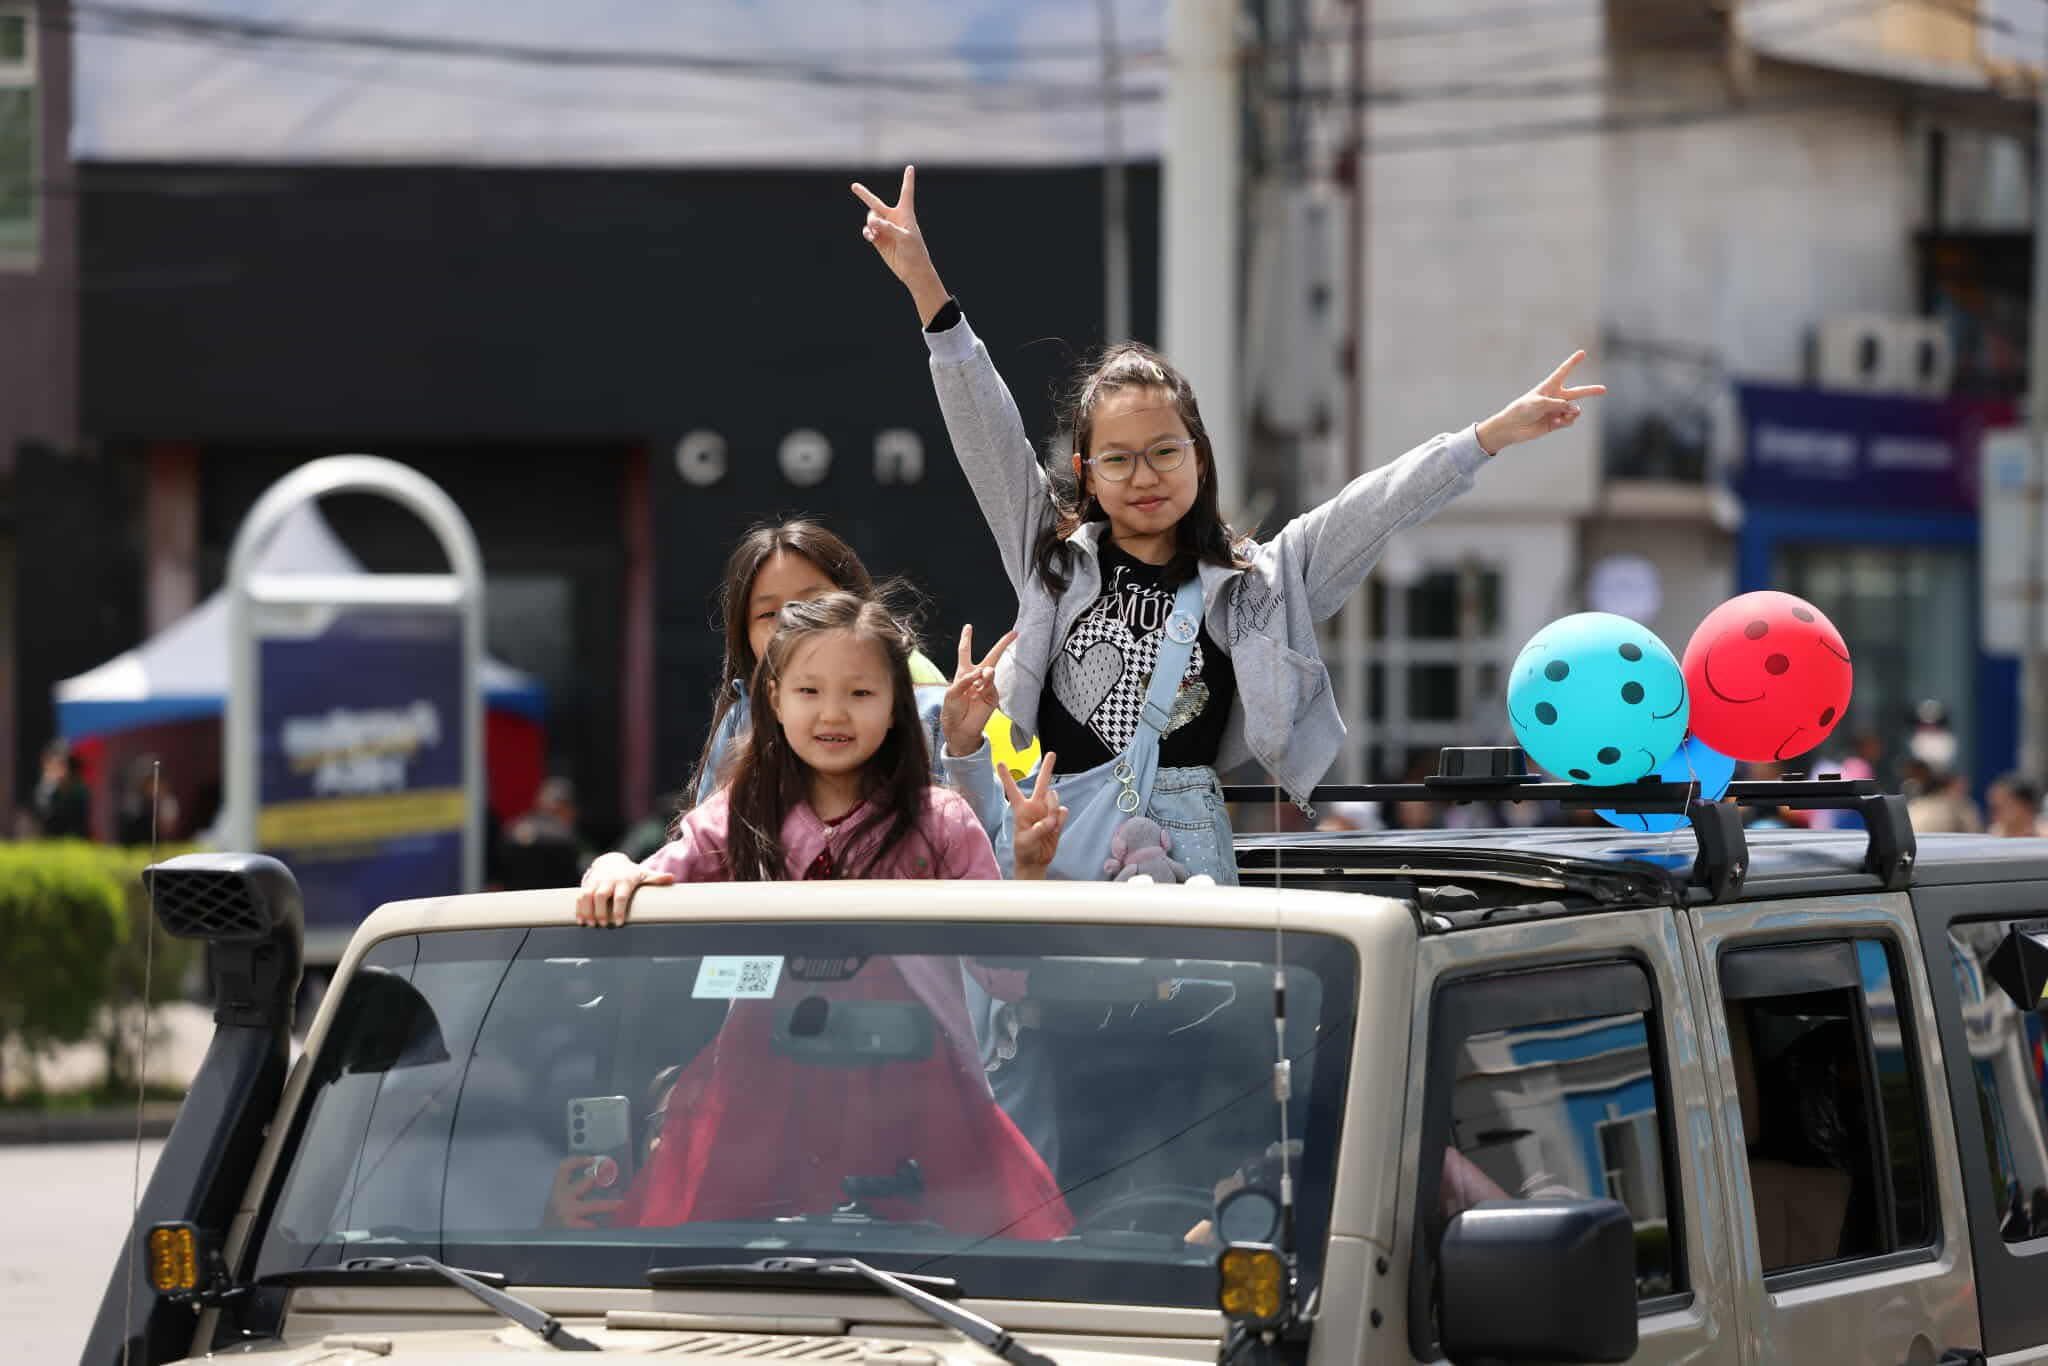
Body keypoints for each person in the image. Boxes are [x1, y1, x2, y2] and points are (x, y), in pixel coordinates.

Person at [852, 166, 1603, 882]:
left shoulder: (1261, 580)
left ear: (1201, 459)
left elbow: (1373, 507)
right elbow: (985, 430)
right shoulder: (1051, 556)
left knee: (1193, 1020)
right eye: (1117, 460)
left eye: (1164, 452)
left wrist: (1490, 436)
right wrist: (925, 287)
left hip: (1188, 850)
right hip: (1060, 835)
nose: (1144, 476)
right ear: (1086, 475)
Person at [559, 593, 1071, 1238]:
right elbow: (664, 871)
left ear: (896, 707)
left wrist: (1028, 871)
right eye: (809, 690)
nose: (833, 713)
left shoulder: (943, 820)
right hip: (761, 1100)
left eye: (860, 693)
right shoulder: (738, 812)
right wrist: (611, 865)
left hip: (918, 1097)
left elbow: (1003, 979)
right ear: (774, 698)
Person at [689, 517, 1013, 833]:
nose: (793, 622)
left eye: (813, 602)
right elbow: (700, 852)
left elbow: (979, 851)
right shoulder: (739, 720)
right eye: (768, 614)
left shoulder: (935, 713)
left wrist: (964, 747)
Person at [32, 740, 91, 839]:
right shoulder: (44, 789)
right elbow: (39, 815)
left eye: (61, 764)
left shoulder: (78, 790)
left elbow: (77, 821)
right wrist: (48, 786)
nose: (56, 769)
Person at [1987, 772, 2044, 838]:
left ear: (2025, 806)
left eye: (2002, 805)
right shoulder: (1993, 837)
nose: (1994, 812)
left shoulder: (2043, 836)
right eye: (1993, 806)